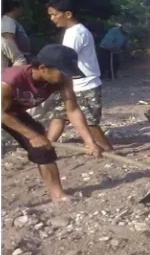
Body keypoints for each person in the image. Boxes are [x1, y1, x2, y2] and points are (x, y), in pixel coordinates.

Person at [2, 44, 102, 201]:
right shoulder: (9, 81)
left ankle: (58, 194)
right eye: (63, 72)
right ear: (43, 68)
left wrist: (89, 141)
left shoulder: (62, 80)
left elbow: (73, 110)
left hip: (13, 112)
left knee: (43, 149)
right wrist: (32, 135)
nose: (66, 76)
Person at [45, 0, 113, 151]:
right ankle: (46, 147)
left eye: (54, 14)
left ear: (67, 14)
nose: (52, 18)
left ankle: (106, 148)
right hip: (73, 83)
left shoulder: (76, 33)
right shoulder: (73, 32)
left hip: (84, 84)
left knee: (89, 121)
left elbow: (64, 59)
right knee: (59, 115)